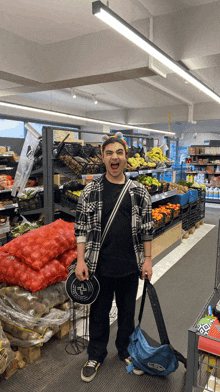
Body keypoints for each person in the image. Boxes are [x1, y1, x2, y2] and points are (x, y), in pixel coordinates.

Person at [74, 133, 154, 383]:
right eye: (109, 153)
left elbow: (147, 229)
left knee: (127, 312)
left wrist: (148, 259)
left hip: (130, 265)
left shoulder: (139, 191)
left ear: (126, 157)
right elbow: (81, 229)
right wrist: (80, 260)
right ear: (102, 157)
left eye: (119, 152)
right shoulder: (91, 191)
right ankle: (95, 355)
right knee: (99, 313)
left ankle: (126, 351)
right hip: (99, 266)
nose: (114, 157)